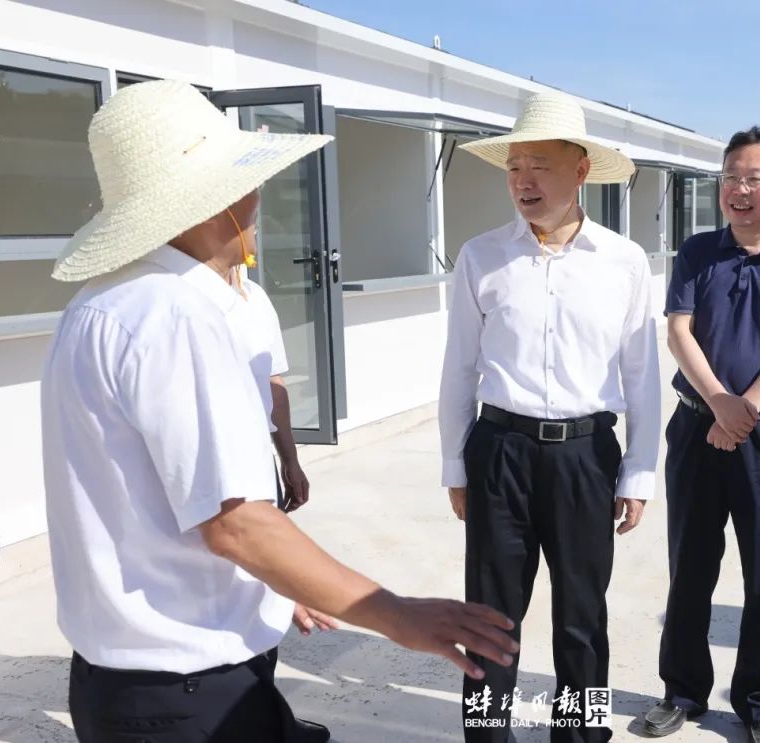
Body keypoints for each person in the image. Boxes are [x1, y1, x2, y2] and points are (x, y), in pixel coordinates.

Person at [42, 80, 517, 743]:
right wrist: (395, 614)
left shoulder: (98, 305)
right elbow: (236, 524)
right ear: (213, 200)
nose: (258, 198)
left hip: (123, 684)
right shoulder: (174, 315)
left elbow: (160, 501)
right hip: (188, 692)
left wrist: (274, 583)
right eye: (247, 180)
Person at [439, 91, 661, 741]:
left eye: (539, 165)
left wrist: (639, 472)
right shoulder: (481, 256)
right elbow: (459, 369)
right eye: (514, 167)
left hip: (586, 456)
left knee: (582, 620)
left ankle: (582, 735)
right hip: (499, 452)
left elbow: (642, 376)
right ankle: (486, 736)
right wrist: (455, 464)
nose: (523, 180)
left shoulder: (623, 261)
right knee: (489, 617)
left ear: (581, 170)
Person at [643, 127, 760, 743]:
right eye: (730, 178)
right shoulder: (698, 251)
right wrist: (719, 404)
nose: (739, 190)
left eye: (754, 179)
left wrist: (744, 410)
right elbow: (679, 331)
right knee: (690, 566)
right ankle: (682, 692)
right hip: (697, 428)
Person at [228, 267, 309, 512]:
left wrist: (290, 460)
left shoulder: (254, 296)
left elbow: (273, 383)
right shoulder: (185, 299)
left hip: (258, 454)